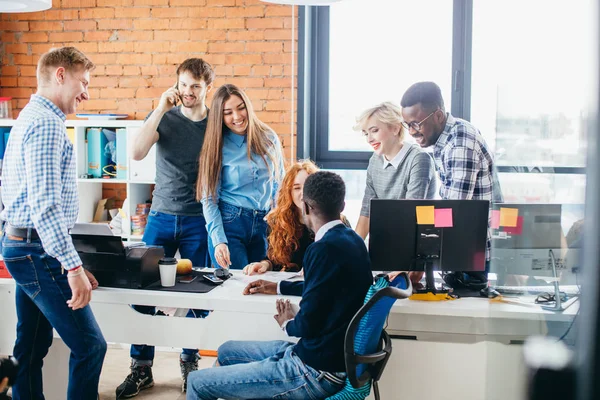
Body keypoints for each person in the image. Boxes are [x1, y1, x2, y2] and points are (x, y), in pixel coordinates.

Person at [187, 171, 373, 400]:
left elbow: (306, 325)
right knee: (226, 350)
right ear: (342, 206)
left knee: (196, 382)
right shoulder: (353, 240)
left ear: (305, 206)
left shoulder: (322, 249)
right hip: (327, 357)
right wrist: (277, 287)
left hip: (315, 371)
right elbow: (325, 288)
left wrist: (288, 323)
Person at [0, 46, 106, 400]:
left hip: (22, 246)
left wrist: (71, 259)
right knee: (91, 347)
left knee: (29, 347)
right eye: (83, 82)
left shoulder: (29, 117)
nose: (86, 94)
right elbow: (45, 208)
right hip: (35, 249)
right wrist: (72, 267)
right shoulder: (46, 124)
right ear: (61, 75)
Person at [118, 58, 215, 398]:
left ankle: (190, 363)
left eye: (196, 87)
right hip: (160, 216)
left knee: (198, 295)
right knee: (143, 290)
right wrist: (160, 107)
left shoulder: (214, 124)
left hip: (197, 220)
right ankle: (141, 367)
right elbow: (137, 151)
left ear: (207, 89)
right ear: (177, 84)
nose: (189, 92)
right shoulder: (165, 117)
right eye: (185, 84)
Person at [400, 81, 504, 285]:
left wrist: (420, 258)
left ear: (438, 116)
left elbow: (454, 210)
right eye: (407, 125)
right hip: (463, 251)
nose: (411, 132)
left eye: (416, 124)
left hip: (472, 257)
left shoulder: (460, 141)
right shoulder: (445, 140)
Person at [197, 84, 284, 271]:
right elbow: (209, 199)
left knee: (262, 284)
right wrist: (219, 241)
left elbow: (280, 185)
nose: (236, 117)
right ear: (220, 116)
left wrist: (277, 224)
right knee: (235, 289)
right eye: (228, 112)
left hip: (264, 224)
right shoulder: (217, 145)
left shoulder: (269, 137)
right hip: (229, 225)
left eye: (240, 108)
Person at [353, 102, 437, 240]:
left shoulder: (419, 158)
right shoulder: (375, 160)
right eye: (366, 133)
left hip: (414, 241)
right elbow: (367, 211)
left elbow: (410, 212)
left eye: (374, 131)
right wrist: (352, 247)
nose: (369, 139)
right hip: (388, 239)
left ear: (395, 128)